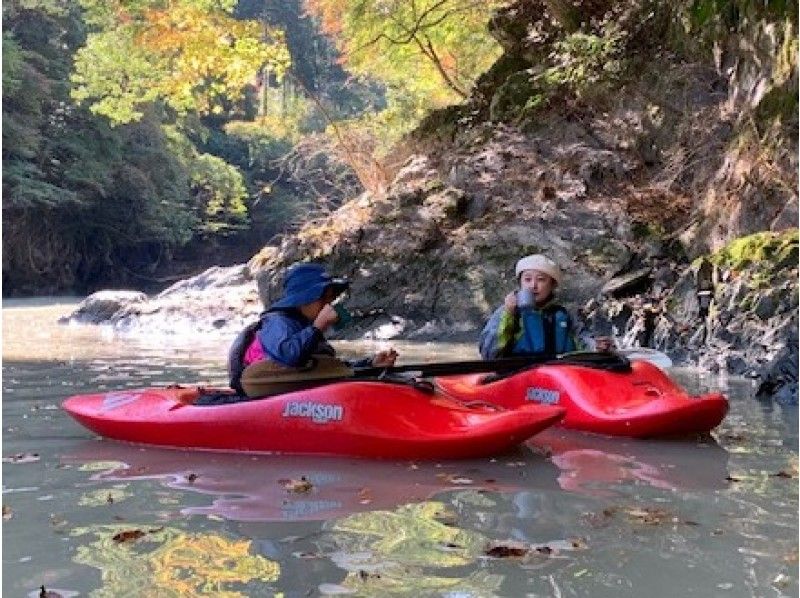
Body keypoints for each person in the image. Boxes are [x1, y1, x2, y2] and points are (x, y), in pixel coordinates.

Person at [229, 262, 397, 395]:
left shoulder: (307, 326)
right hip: (264, 390)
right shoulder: (277, 322)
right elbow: (290, 356)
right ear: (305, 298)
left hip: (297, 388)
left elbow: (323, 367)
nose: (328, 304)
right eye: (323, 298)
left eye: (330, 298)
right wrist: (318, 326)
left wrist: (370, 364)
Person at [479, 254, 613, 359]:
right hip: (518, 374)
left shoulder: (564, 314)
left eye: (541, 279)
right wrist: (508, 314)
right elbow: (488, 353)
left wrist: (595, 346)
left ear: (552, 285)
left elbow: (582, 341)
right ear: (520, 283)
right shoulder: (508, 312)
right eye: (527, 279)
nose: (533, 285)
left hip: (556, 374)